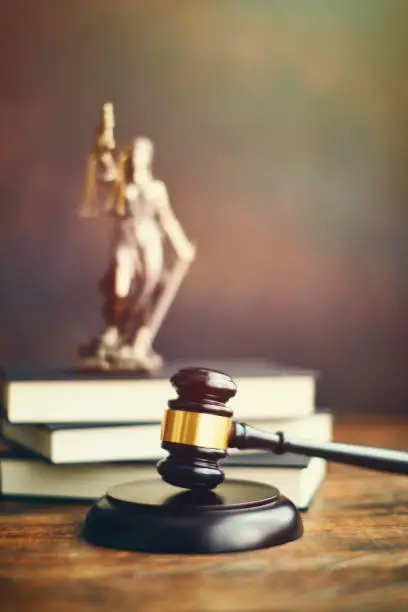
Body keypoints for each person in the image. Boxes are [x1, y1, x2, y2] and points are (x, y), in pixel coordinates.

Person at [80, 116, 195, 371]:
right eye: (133, 153)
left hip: (149, 240)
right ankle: (116, 329)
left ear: (148, 157)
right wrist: (102, 148)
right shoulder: (121, 183)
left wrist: (182, 246)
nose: (136, 158)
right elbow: (106, 169)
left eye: (141, 153)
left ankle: (135, 336)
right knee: (120, 285)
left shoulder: (156, 189)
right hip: (126, 240)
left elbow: (168, 220)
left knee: (149, 285)